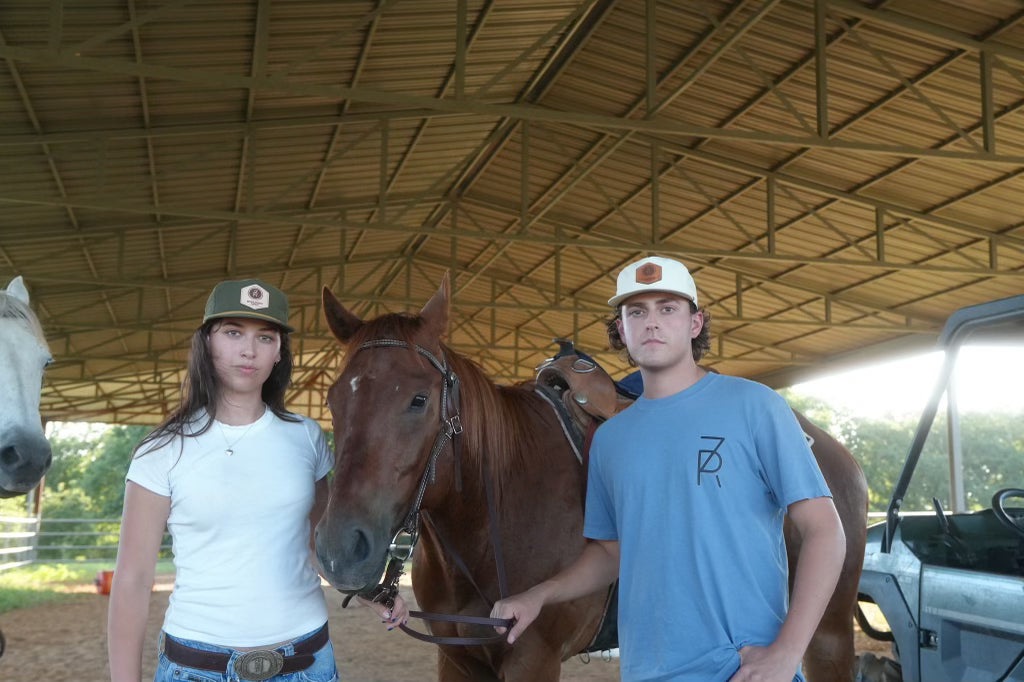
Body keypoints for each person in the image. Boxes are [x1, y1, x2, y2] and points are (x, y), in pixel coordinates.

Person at [490, 256, 845, 682]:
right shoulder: (611, 440)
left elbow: (825, 530)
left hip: (744, 669)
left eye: (668, 308)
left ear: (695, 323)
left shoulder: (754, 405)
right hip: (648, 671)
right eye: (636, 312)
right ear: (622, 330)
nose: (651, 322)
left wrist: (787, 653)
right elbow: (609, 553)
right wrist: (537, 596)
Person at [108, 278, 408, 682]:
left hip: (306, 661)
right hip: (196, 666)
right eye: (233, 333)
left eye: (265, 338)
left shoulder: (305, 436)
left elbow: (318, 546)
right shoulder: (161, 450)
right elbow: (132, 580)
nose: (249, 350)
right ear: (207, 342)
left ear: (279, 351)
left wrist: (370, 591)